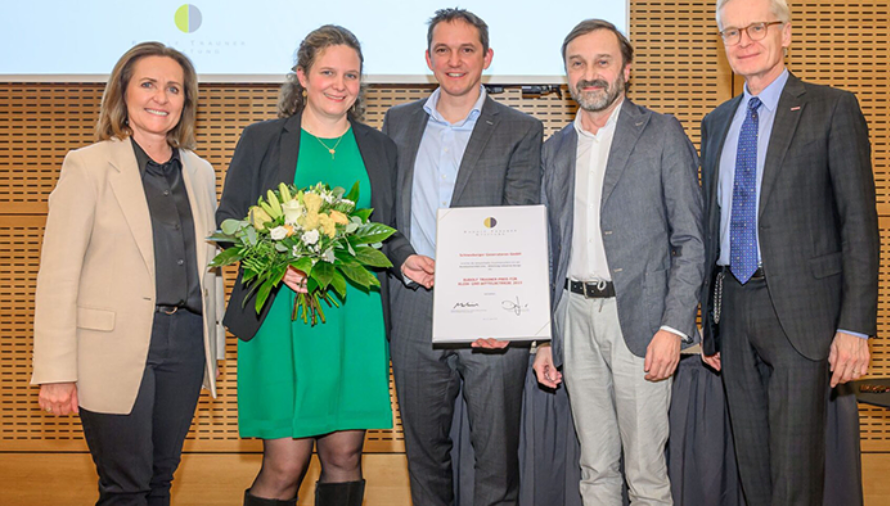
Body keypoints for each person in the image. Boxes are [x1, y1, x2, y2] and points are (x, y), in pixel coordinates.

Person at [216, 25, 428, 506]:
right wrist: (274, 262)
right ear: (302, 77)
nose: (340, 84)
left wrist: (407, 259)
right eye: (328, 72)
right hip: (280, 316)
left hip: (356, 316)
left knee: (344, 459)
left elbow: (385, 228)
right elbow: (229, 220)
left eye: (350, 75)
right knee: (285, 466)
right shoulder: (263, 139)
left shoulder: (380, 147)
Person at [698, 0, 880, 504]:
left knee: (796, 470)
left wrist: (854, 326)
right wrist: (708, 323)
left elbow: (859, 223)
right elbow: (712, 222)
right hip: (733, 309)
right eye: (732, 32)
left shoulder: (831, 107)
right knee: (752, 465)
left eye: (757, 27)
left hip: (804, 315)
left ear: (787, 33)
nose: (744, 40)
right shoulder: (716, 122)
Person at [31, 42, 225, 505]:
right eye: (148, 84)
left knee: (160, 481)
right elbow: (58, 274)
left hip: (185, 343)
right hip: (111, 348)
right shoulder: (88, 165)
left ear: (186, 100)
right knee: (125, 486)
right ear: (123, 93)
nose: (161, 97)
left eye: (174, 88)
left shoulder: (200, 172)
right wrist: (57, 371)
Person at [532, 19, 705, 506]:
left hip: (642, 323)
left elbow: (691, 238)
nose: (590, 74)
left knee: (647, 473)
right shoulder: (555, 149)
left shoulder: (661, 132)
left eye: (602, 62)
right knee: (595, 468)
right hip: (573, 316)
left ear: (626, 70)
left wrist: (674, 327)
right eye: (578, 63)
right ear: (567, 74)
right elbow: (549, 250)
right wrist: (545, 337)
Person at [382, 8, 543, 506]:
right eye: (443, 50)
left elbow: (520, 224)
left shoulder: (520, 128)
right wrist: (401, 255)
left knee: (495, 462)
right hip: (414, 308)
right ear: (428, 58)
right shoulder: (397, 122)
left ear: (487, 58)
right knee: (425, 458)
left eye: (467, 49)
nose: (455, 61)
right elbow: (382, 214)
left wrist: (498, 304)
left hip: (489, 317)